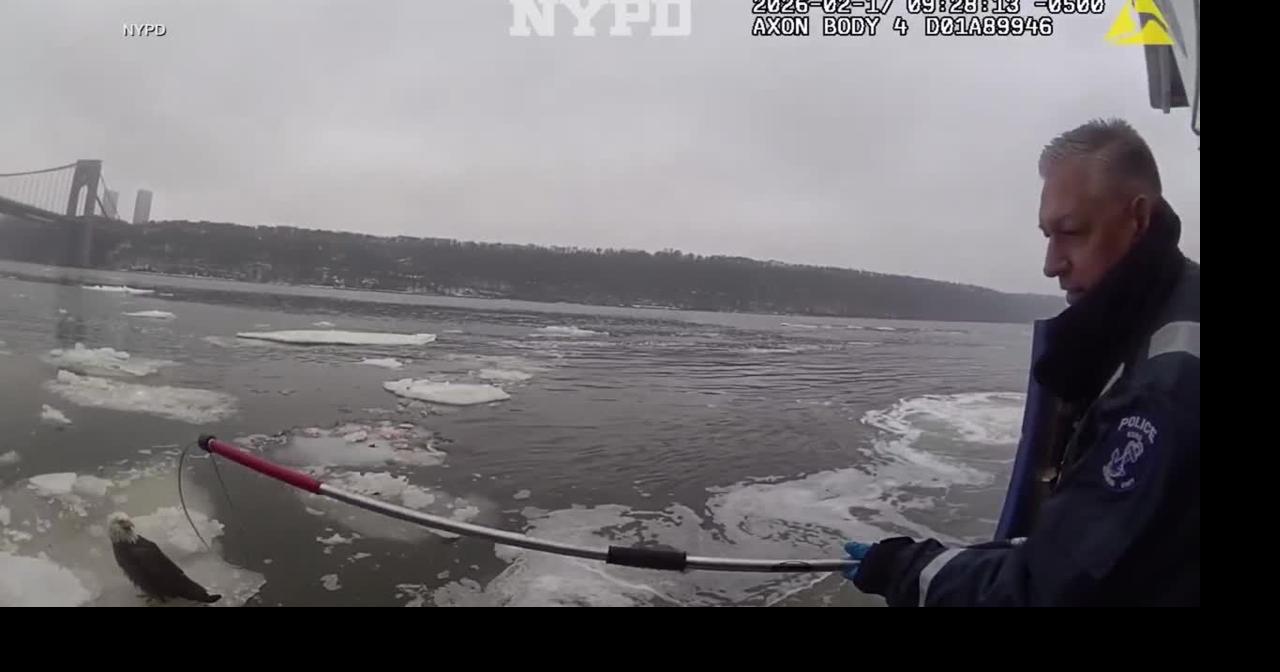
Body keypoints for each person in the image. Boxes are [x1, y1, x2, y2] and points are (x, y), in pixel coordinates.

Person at [842, 119, 1199, 606]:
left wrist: (910, 570)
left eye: (1071, 232)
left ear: (1138, 218)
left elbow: (1053, 591)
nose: (1051, 263)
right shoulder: (1172, 306)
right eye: (1047, 236)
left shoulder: (1163, 386)